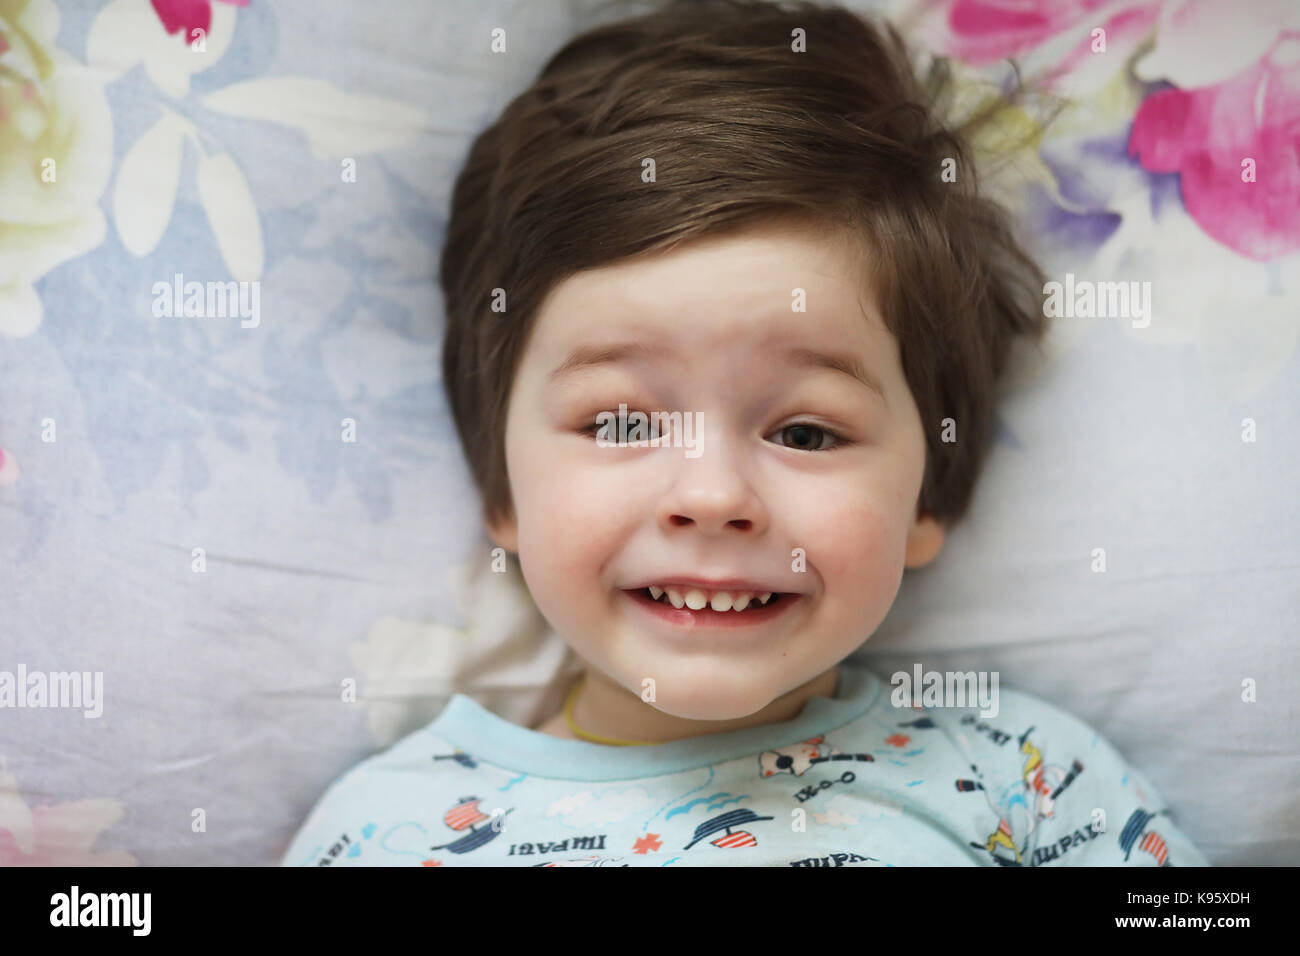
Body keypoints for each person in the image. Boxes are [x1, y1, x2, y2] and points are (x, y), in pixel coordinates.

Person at [281, 0, 1208, 867]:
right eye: (620, 422)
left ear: (928, 496)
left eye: (805, 434)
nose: (713, 495)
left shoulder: (1029, 777)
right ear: (502, 491)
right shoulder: (385, 831)